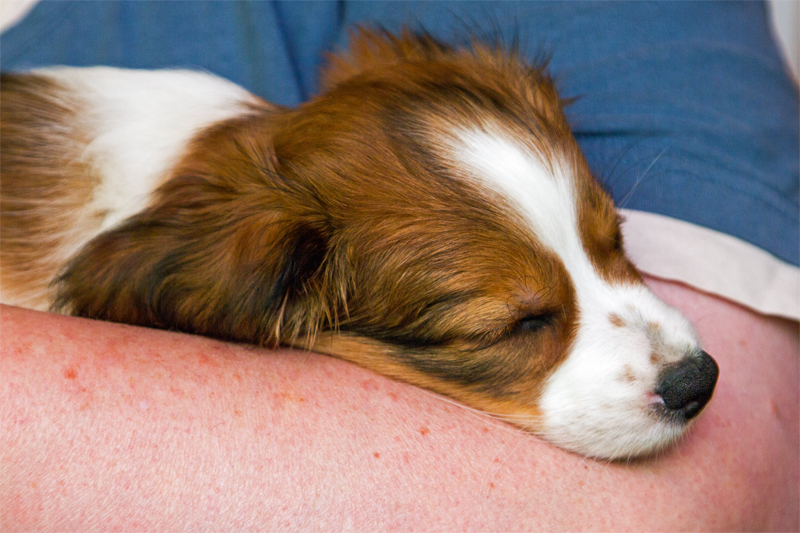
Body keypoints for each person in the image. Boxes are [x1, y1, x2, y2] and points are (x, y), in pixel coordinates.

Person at [1, 2, 797, 530]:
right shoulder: (243, 258)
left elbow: (726, 489)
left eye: (610, 238)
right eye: (522, 321)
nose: (676, 354)